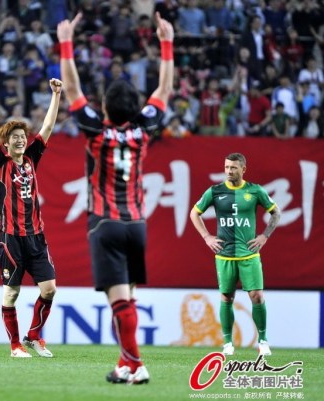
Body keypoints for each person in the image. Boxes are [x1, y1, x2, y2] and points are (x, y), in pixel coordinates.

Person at [57, 12, 174, 384]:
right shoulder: (144, 128)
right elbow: (164, 91)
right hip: (136, 224)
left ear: (105, 107)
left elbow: (71, 88)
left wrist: (66, 43)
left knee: (120, 301)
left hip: (105, 224)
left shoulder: (96, 129)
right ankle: (125, 365)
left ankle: (137, 365)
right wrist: (167, 43)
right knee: (127, 299)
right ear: (135, 107)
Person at [0, 76, 62, 358]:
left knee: (50, 289)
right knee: (11, 293)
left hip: (36, 237)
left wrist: (56, 95)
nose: (19, 140)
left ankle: (34, 336)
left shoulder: (31, 159)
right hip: (10, 239)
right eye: (14, 137)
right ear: (6, 143)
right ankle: (15, 345)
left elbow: (48, 126)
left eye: (22, 136)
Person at [189, 153, 281, 357]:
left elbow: (276, 212)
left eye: (233, 168)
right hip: (225, 254)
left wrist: (264, 236)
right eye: (226, 167)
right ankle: (227, 343)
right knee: (226, 297)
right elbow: (194, 213)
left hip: (249, 254)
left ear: (243, 169)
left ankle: (263, 341)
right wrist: (207, 237)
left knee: (257, 296)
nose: (229, 171)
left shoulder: (255, 190)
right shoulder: (215, 191)